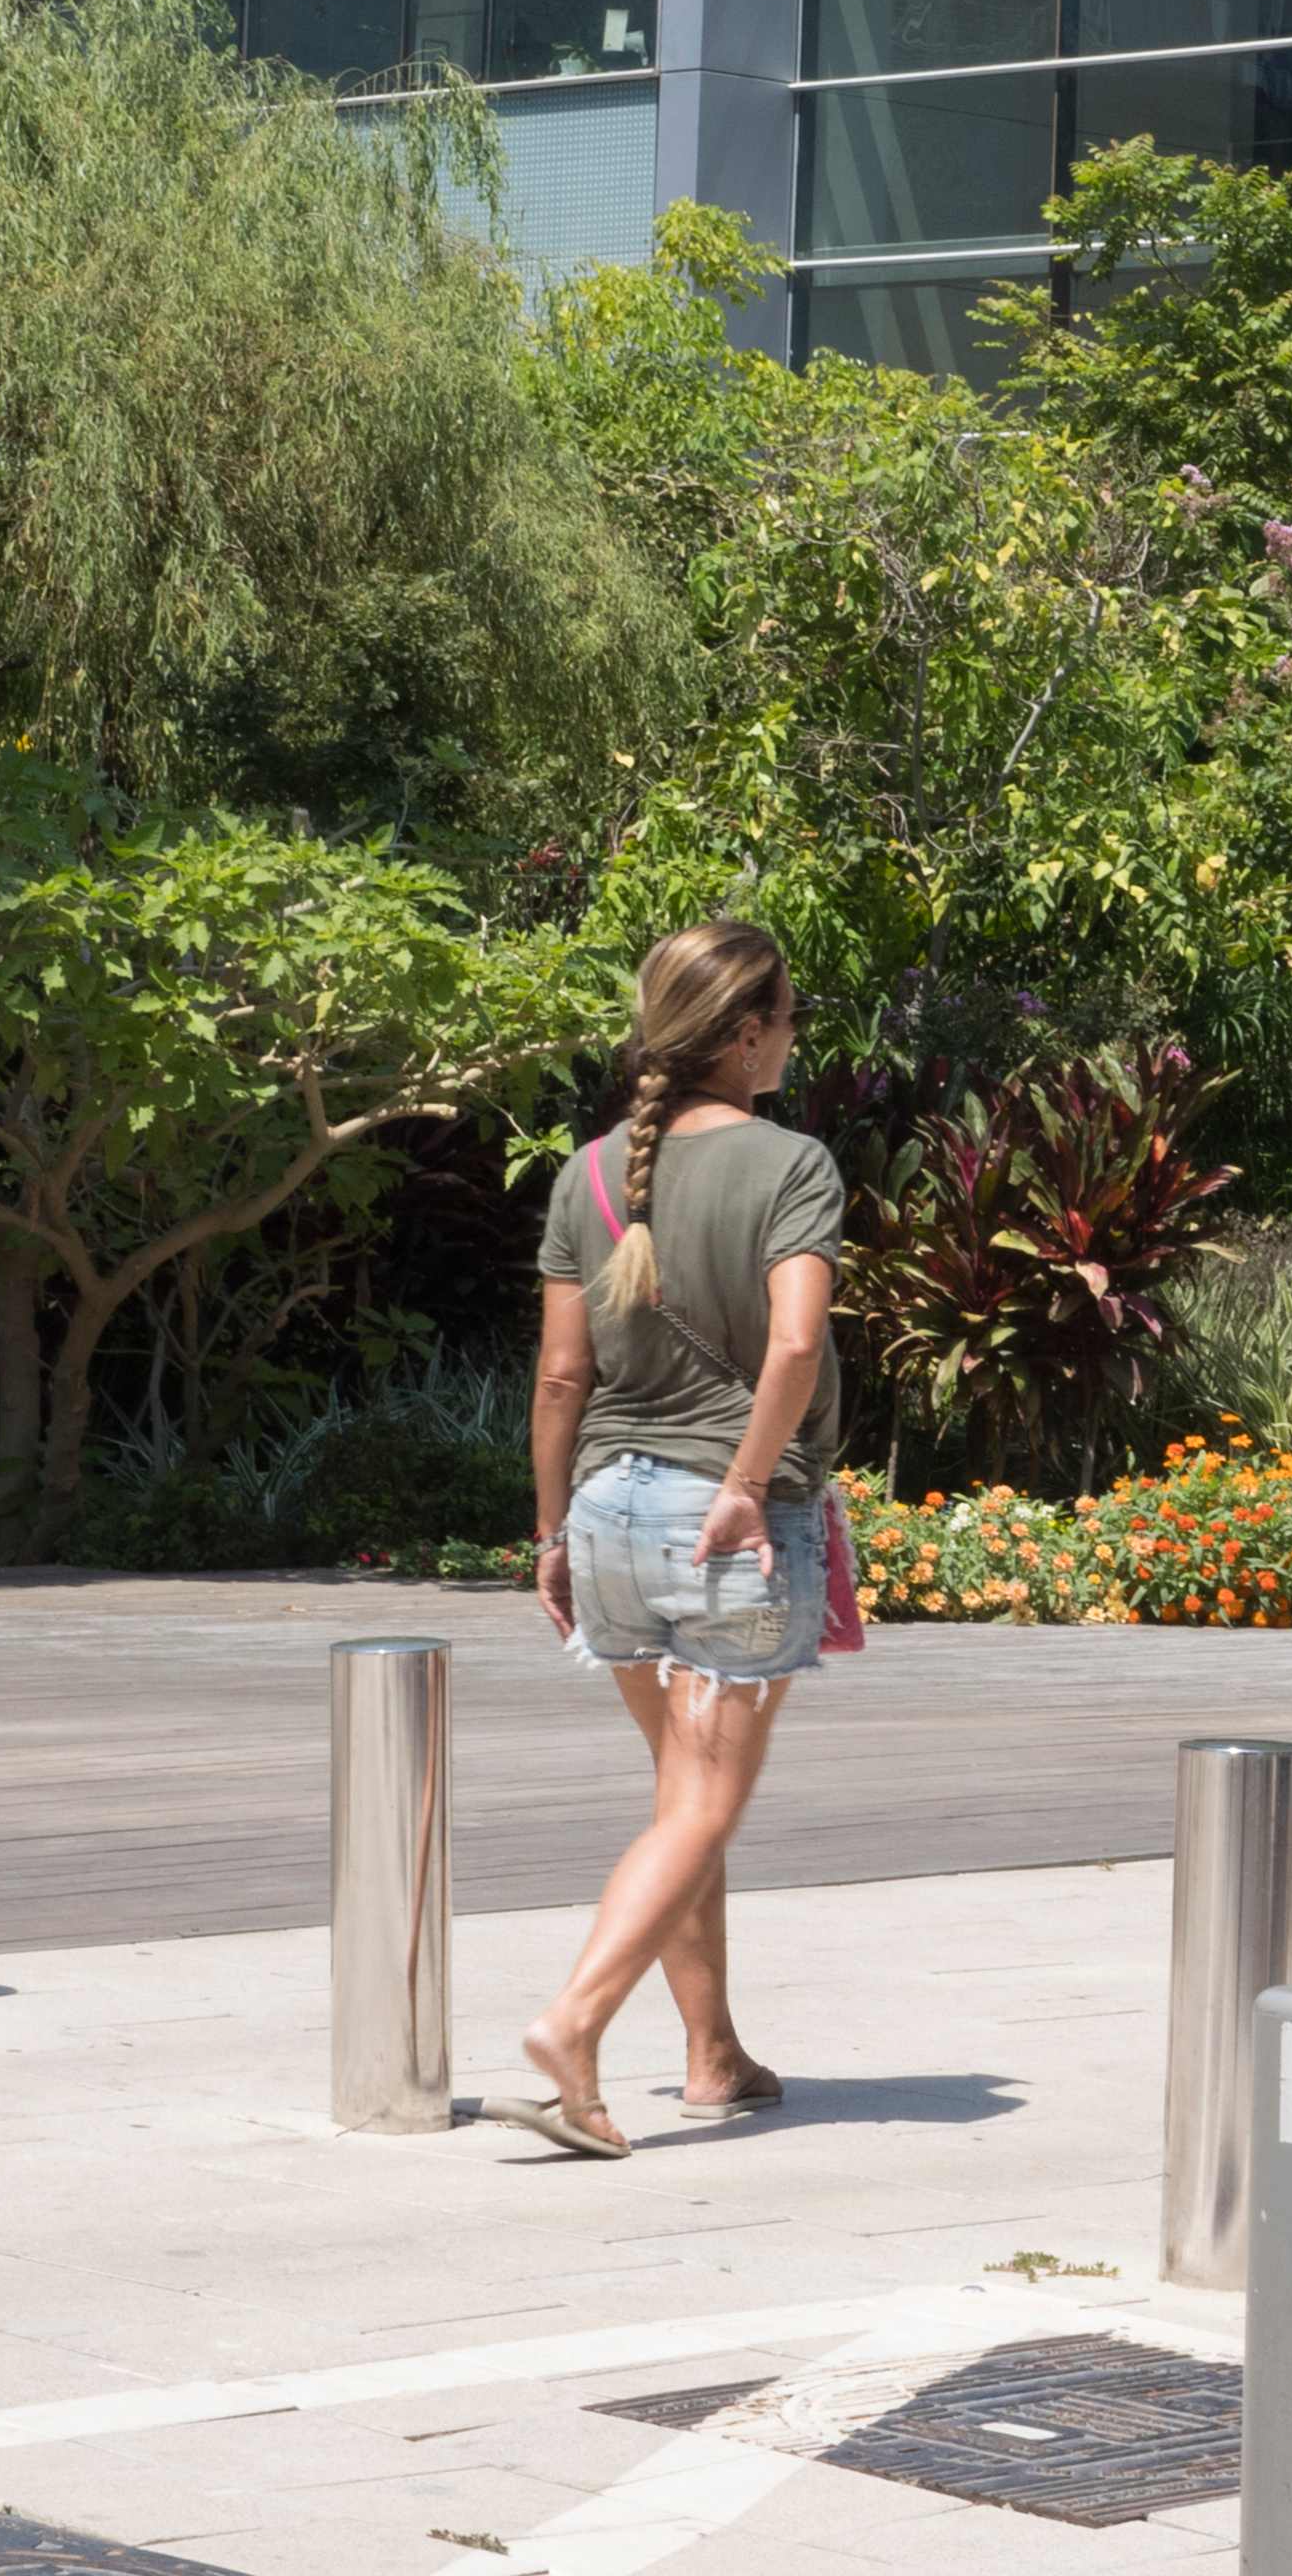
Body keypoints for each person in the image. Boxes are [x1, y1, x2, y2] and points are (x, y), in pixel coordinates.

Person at [510, 917, 845, 2157]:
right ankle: (574, 2025)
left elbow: (559, 1377)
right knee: (702, 1807)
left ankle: (712, 2055)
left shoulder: (590, 1172)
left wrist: (550, 1533)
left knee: (679, 1801)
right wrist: (751, 1482)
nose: (793, 1041)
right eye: (789, 1020)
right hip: (723, 1523)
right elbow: (796, 1345)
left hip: (604, 1510)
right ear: (748, 1032)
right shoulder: (791, 1163)